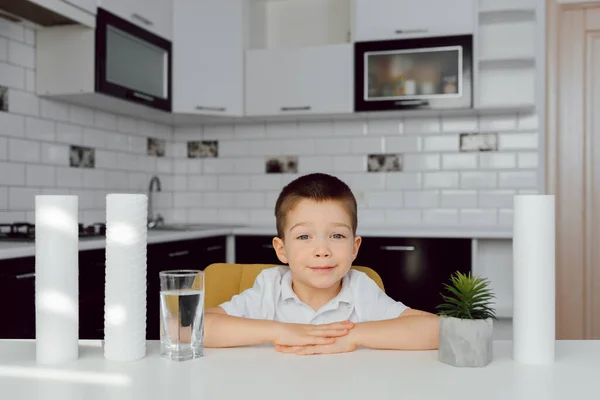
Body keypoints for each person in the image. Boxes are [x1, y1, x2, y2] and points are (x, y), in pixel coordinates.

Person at [204, 173, 439, 355]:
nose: (322, 251)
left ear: (354, 247)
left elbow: (438, 330)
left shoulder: (359, 289)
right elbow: (185, 326)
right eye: (304, 237)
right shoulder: (269, 288)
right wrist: (280, 331)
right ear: (281, 249)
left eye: (337, 236)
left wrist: (352, 336)